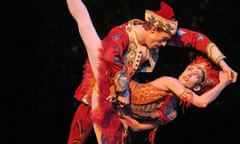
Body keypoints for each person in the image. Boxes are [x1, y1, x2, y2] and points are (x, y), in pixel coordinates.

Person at [66, 0, 238, 143]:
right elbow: (111, 57)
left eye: (195, 75)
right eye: (163, 40)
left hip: (118, 106)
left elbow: (195, 38)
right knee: (88, 30)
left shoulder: (171, 112)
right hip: (108, 81)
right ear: (153, 29)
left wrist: (223, 63)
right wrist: (122, 90)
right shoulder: (123, 35)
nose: (164, 45)